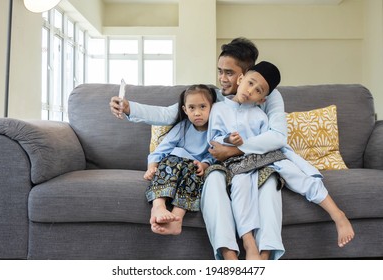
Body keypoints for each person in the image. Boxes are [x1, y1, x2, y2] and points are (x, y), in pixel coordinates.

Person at [110, 38, 286, 260]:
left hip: (256, 160)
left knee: (270, 183)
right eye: (220, 71)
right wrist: (129, 108)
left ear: (246, 73)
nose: (222, 79)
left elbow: (278, 136)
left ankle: (263, 258)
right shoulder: (212, 97)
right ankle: (229, 257)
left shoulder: (269, 94)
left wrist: (234, 151)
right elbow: (170, 114)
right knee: (212, 181)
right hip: (217, 165)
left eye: (229, 73)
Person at [207, 61, 355, 259]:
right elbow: (213, 139)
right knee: (242, 185)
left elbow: (270, 140)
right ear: (241, 79)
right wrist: (227, 140)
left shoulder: (260, 115)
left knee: (294, 173)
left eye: (257, 90)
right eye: (250, 83)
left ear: (262, 99)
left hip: (265, 157)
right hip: (238, 163)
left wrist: (243, 146)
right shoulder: (218, 108)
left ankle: (337, 214)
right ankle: (250, 243)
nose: (251, 91)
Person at [143, 84, 217, 236]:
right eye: (192, 108)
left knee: (195, 175)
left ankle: (177, 219)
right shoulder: (183, 127)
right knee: (168, 164)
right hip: (174, 162)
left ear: (212, 108)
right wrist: (152, 166)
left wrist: (204, 164)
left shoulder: (215, 131)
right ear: (185, 110)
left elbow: (213, 154)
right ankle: (158, 206)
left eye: (203, 107)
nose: (197, 113)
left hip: (193, 166)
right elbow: (163, 148)